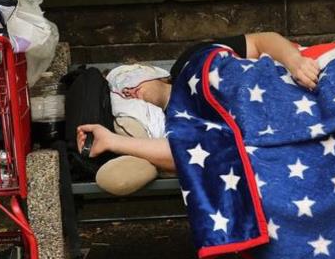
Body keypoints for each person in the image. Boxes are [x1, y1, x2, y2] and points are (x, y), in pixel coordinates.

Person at [76, 32, 318, 172]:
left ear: (155, 73)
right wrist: (112, 141)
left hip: (303, 86)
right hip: (290, 131)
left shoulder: (192, 60)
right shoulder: (178, 122)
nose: (128, 92)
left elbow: (261, 40)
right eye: (122, 96)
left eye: (127, 81)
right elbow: (182, 152)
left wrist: (293, 60)